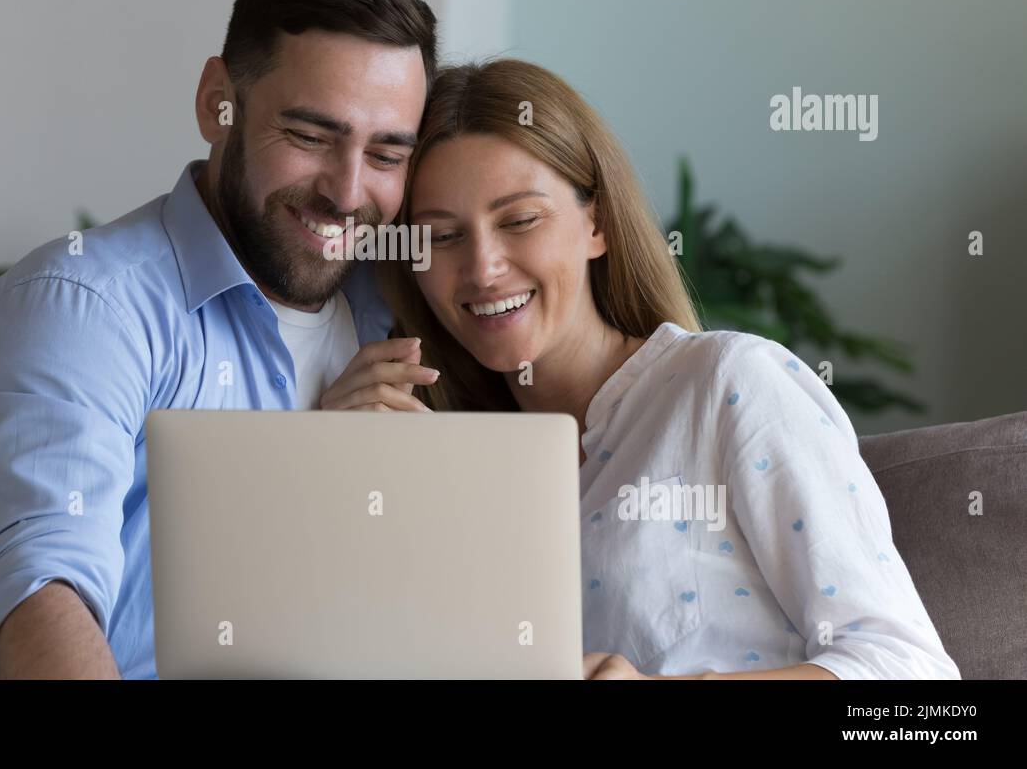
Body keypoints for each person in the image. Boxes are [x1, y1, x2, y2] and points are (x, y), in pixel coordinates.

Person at [0, 0, 438, 679]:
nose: (348, 194)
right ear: (216, 101)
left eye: (386, 154)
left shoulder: (400, 306)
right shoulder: (83, 310)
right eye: (311, 136)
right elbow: (41, 593)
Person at [379, 59, 960, 679]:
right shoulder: (456, 468)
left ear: (596, 222)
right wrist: (340, 457)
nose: (483, 268)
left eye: (520, 220)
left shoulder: (731, 383)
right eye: (441, 237)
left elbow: (913, 678)